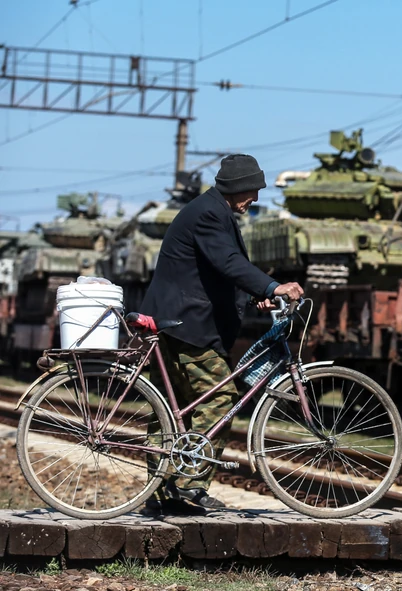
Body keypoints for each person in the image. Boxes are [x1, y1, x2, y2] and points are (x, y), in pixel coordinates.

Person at [139, 154, 304, 515]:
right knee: (219, 400)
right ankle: (189, 488)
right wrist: (274, 286)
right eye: (253, 190)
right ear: (235, 187)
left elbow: (212, 269)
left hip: (175, 317)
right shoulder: (211, 213)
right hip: (187, 323)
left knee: (171, 407)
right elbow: (228, 262)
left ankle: (162, 489)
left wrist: (258, 294)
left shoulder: (210, 209)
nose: (256, 198)